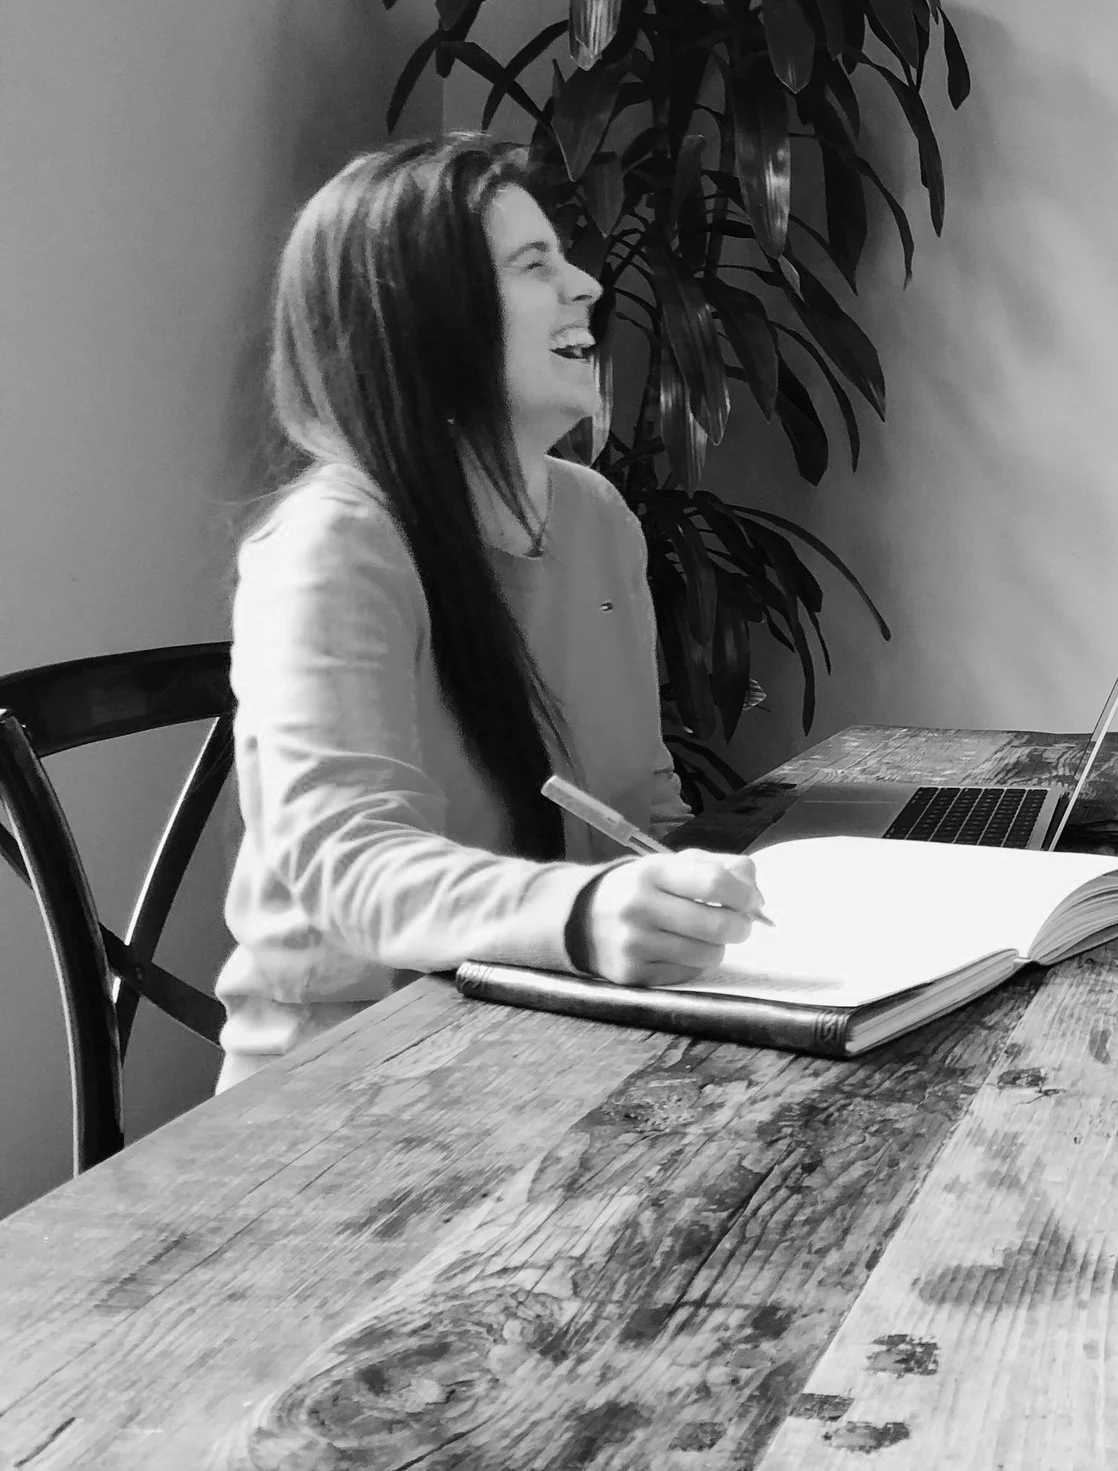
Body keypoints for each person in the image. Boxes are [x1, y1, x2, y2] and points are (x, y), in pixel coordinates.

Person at [215, 134, 766, 1088]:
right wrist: (585, 914)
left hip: (557, 1045)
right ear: (421, 322)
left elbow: (642, 805)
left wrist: (695, 895)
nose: (587, 284)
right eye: (532, 264)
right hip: (341, 1094)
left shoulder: (597, 515)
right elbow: (353, 864)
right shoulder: (331, 547)